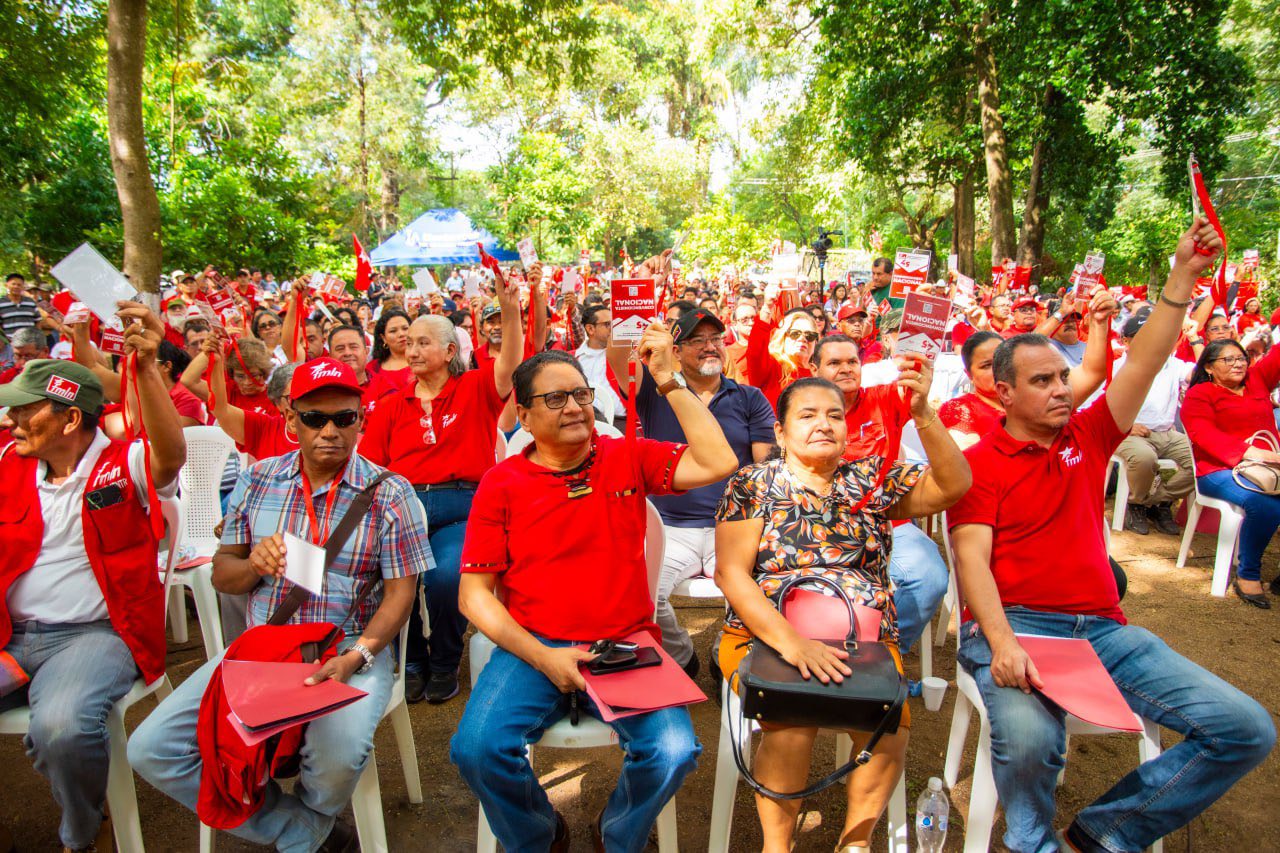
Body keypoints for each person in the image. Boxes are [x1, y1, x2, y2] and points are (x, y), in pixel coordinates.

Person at [948, 219, 1274, 853]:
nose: (1061, 390)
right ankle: (1031, 843)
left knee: (1246, 728)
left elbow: (1146, 357)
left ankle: (1101, 834)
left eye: (1062, 378)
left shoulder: (1088, 435)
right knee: (1035, 741)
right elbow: (971, 562)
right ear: (1004, 392)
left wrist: (1183, 276)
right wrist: (1002, 641)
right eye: (1042, 382)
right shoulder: (978, 463)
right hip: (1011, 627)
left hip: (1104, 630)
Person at [128, 357, 434, 853]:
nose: (329, 431)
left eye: (344, 418)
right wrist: (253, 564)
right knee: (152, 749)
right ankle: (306, 831)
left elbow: (401, 594)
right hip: (264, 652)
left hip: (346, 651)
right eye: (314, 418)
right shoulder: (258, 479)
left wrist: (359, 657)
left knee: (338, 754)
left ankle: (312, 817)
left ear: (362, 420)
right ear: (291, 421)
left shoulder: (391, 494)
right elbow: (223, 574)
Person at [450, 333, 739, 853]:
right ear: (524, 412)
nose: (574, 407)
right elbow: (473, 597)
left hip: (625, 643)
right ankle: (540, 834)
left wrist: (670, 379)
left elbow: (718, 462)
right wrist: (544, 657)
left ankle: (619, 836)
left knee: (674, 751)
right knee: (476, 748)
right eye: (554, 398)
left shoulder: (625, 456)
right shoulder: (502, 482)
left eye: (580, 394)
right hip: (537, 645)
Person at [715, 376, 970, 853]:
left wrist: (924, 415)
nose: (823, 424)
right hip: (767, 634)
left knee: (889, 724)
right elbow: (731, 575)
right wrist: (793, 643)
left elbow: (954, 485)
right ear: (781, 429)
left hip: (863, 637)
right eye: (807, 415)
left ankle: (855, 842)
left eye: (834, 415)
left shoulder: (871, 477)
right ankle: (777, 846)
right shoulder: (752, 483)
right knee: (791, 719)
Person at [0, 302, 185, 853]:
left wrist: (147, 367)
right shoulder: (8, 462)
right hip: (10, 632)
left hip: (94, 634)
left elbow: (171, 456)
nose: (10, 420)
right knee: (57, 734)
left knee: (61, 730)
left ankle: (84, 832)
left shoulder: (123, 462)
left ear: (70, 418)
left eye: (23, 410)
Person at [360, 270, 526, 704]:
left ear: (450, 350)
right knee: (391, 577)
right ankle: (411, 660)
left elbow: (510, 362)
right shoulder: (391, 405)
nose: (411, 349)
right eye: (408, 342)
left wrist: (510, 312)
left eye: (422, 342)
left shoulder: (475, 387)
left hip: (461, 506)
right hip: (403, 507)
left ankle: (444, 662)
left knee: (448, 576)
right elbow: (372, 469)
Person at [605, 307, 775, 675]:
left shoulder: (750, 398)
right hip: (669, 525)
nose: (710, 347)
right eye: (697, 341)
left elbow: (767, 468)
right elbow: (619, 358)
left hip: (731, 527)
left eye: (716, 339)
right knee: (645, 596)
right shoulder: (654, 388)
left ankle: (722, 653)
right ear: (676, 351)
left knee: (754, 593)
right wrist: (632, 315)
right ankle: (682, 655)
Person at [810, 334, 950, 654]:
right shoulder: (800, 408)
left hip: (889, 521)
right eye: (834, 363)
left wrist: (919, 367)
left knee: (930, 579)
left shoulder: (884, 398)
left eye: (852, 362)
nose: (846, 369)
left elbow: (915, 386)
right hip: (822, 525)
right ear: (814, 368)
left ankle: (881, 656)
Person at [941, 289, 1117, 448]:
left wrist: (1099, 321)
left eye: (1001, 360)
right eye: (986, 365)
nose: (996, 369)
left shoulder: (1035, 395)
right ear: (969, 374)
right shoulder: (960, 409)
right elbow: (965, 469)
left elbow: (1093, 372)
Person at [1182, 336, 1280, 606]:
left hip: (1269, 468)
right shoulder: (1200, 394)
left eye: (1241, 358)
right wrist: (1255, 454)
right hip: (1219, 471)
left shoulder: (1257, 379)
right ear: (1210, 367)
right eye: (1228, 359)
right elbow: (1204, 435)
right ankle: (1248, 574)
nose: (1238, 364)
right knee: (1266, 505)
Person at [1111, 313, 1195, 536]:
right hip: (1128, 433)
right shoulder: (1116, 367)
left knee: (1203, 461)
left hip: (1167, 434)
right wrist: (1128, 426)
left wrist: (1195, 339)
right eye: (1140, 336)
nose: (1149, 340)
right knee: (1144, 458)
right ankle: (1137, 502)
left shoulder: (1173, 365)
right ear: (1125, 341)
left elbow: (1200, 373)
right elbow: (1102, 406)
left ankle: (1154, 502)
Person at [749, 288, 819, 409]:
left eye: (809, 335)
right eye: (795, 333)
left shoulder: (820, 372)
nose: (803, 339)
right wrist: (767, 308)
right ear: (783, 337)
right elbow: (755, 353)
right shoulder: (772, 367)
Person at [575, 303, 625, 430]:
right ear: (590, 329)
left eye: (614, 324)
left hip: (621, 422)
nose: (613, 328)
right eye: (608, 324)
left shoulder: (623, 355)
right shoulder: (573, 360)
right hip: (582, 423)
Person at [0, 274, 40, 339]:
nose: (16, 287)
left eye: (19, 285)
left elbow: (38, 321)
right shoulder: (1, 303)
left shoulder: (30, 302)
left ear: (23, 287)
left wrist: (37, 337)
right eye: (13, 284)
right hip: (10, 343)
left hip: (30, 342)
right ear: (6, 285)